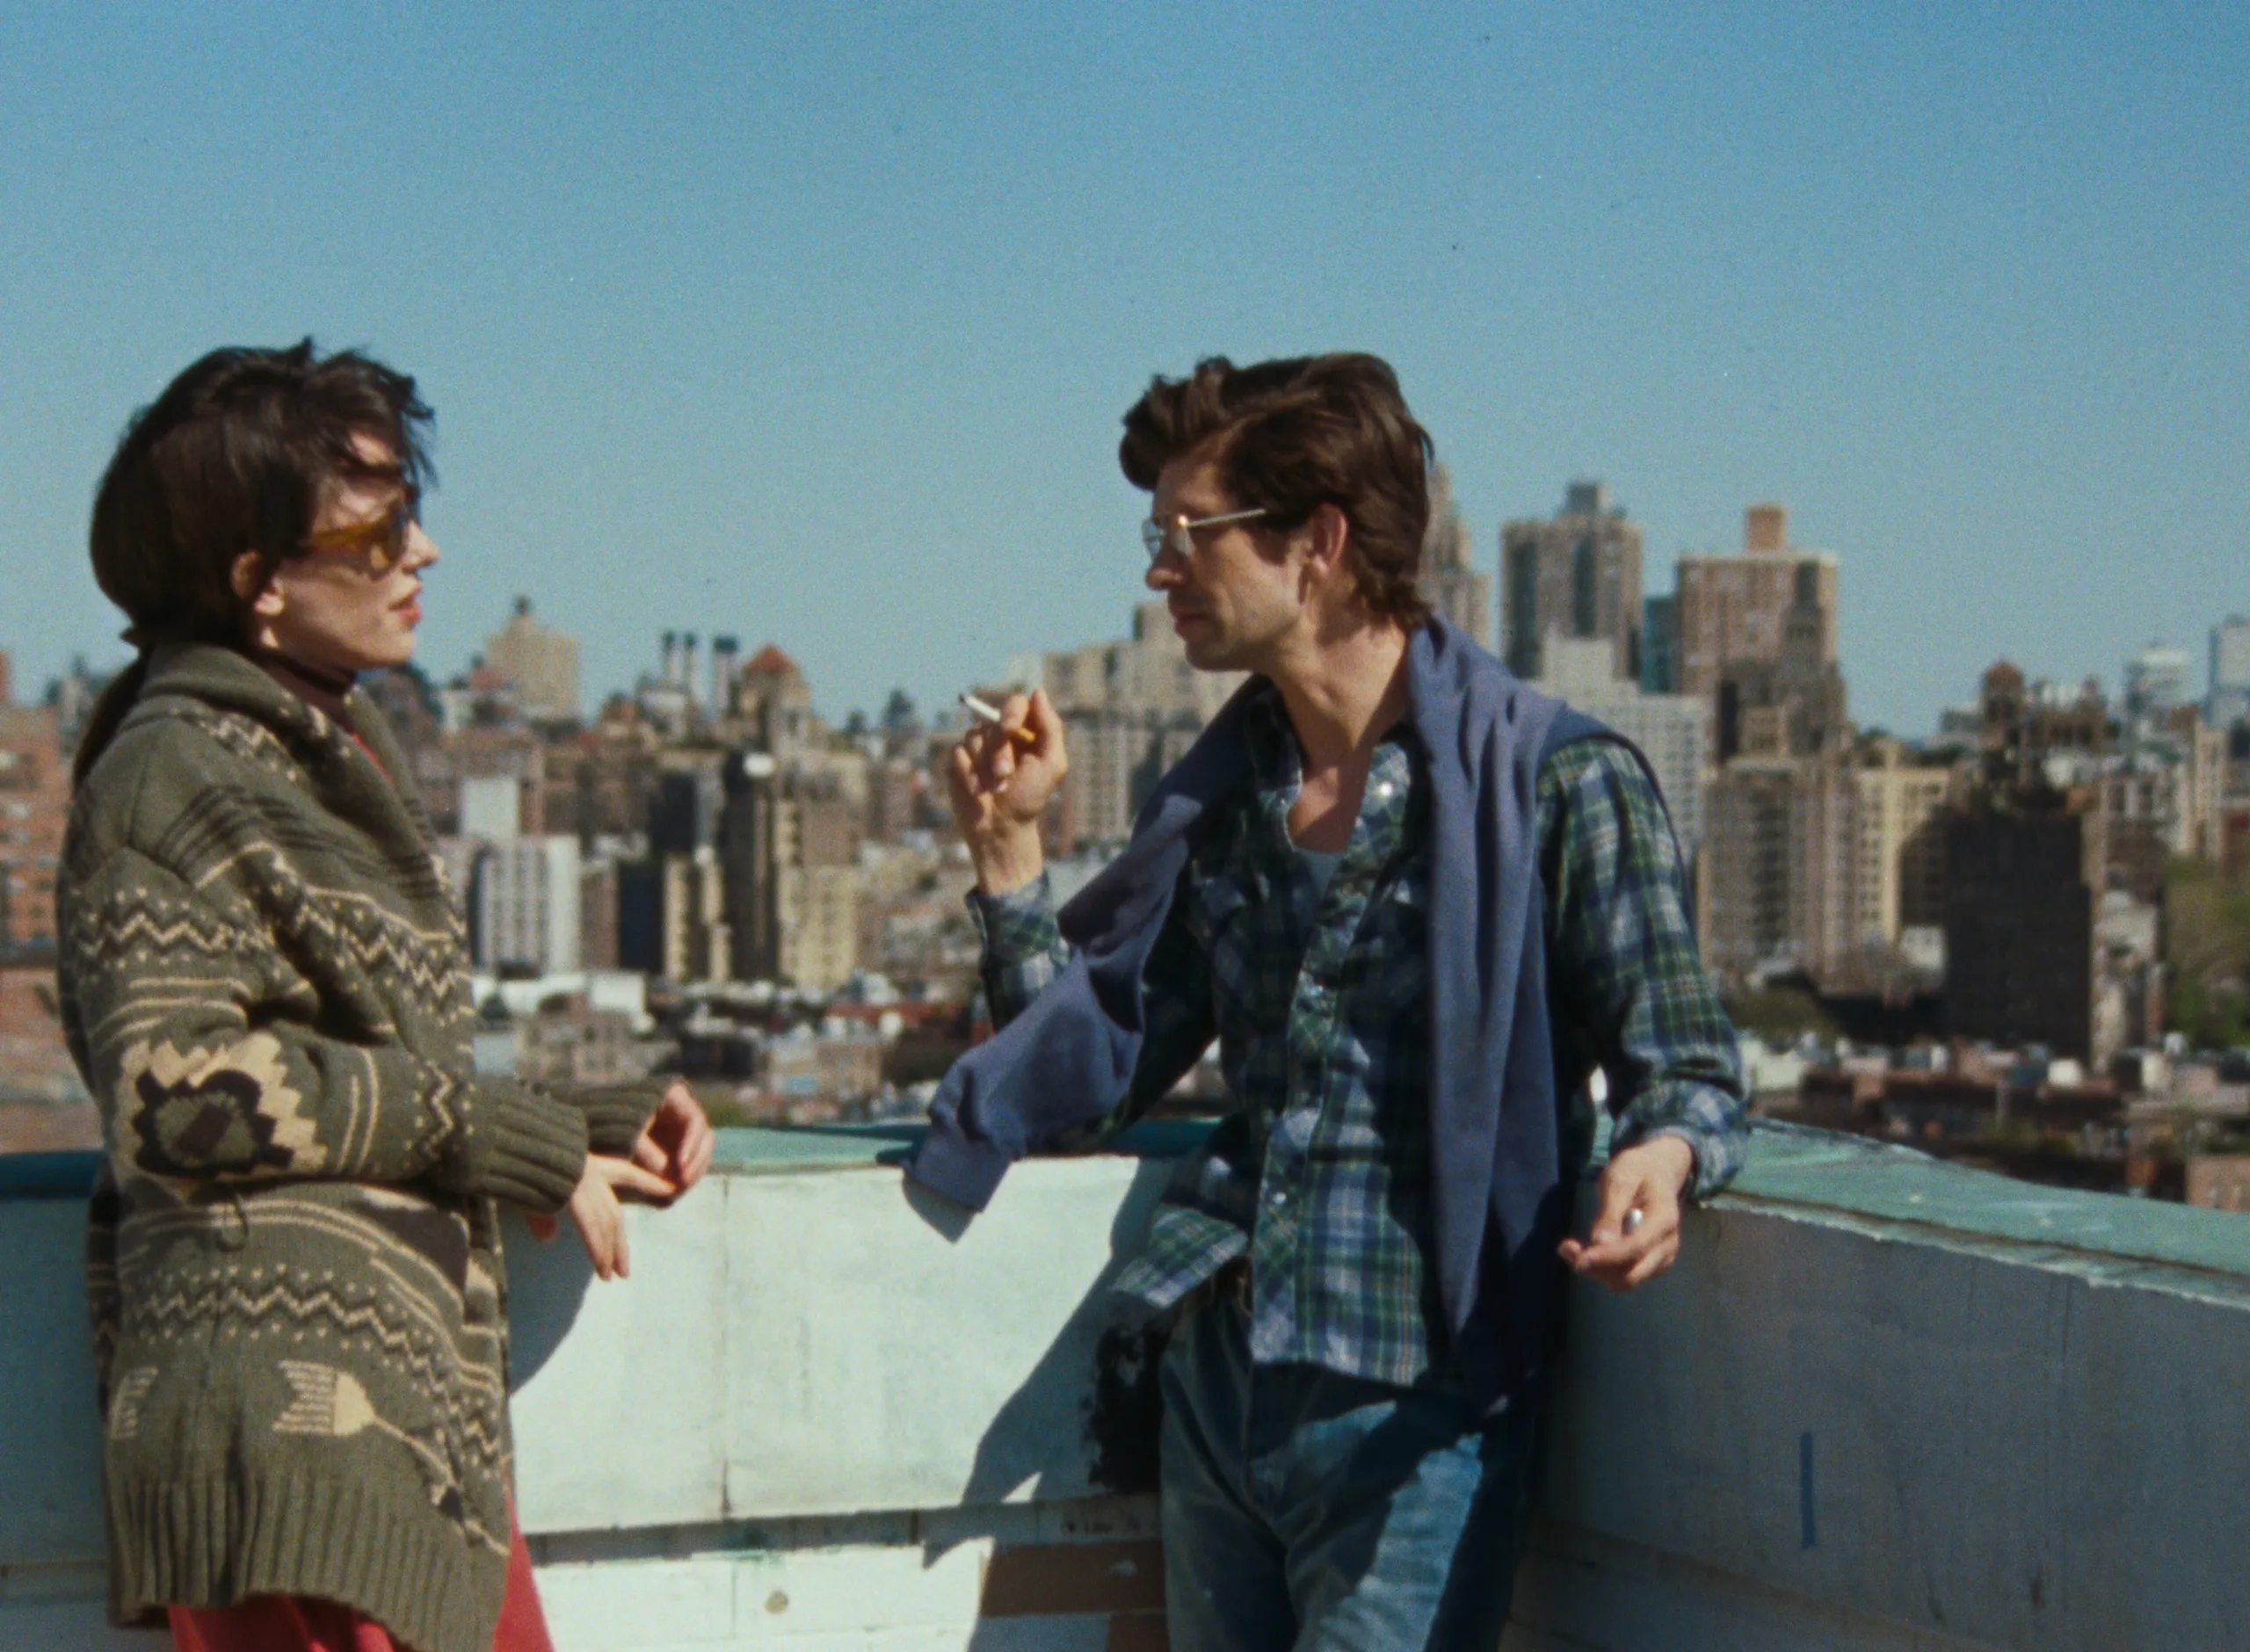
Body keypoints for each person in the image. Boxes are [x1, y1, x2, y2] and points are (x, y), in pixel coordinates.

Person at [909, 353, 1747, 1648]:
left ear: (1321, 544)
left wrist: (1665, 1152)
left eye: (1190, 534)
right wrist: (1011, 857)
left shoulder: (1555, 784)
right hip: (1218, 1381)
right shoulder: (1228, 796)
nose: (1160, 571)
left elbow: (1687, 1062)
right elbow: (1082, 1080)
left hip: (1417, 1414)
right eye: (1155, 537)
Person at [57, 342, 716, 1652]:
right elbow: (173, 1091)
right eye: (378, 531)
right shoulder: (169, 772)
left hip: (394, 1442)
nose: (422, 553)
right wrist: (499, 1133)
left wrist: (574, 1118)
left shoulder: (312, 754)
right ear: (258, 580)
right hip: (284, 1451)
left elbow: (358, 1055)